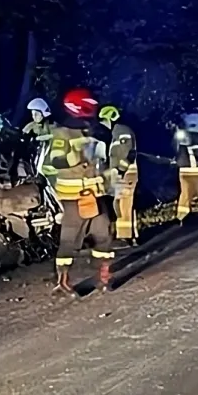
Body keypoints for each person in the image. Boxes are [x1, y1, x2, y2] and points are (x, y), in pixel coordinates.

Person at [48, 87, 115, 293]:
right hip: (74, 197)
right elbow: (56, 160)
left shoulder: (92, 131)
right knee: (70, 240)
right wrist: (79, 152)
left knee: (104, 234)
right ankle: (63, 282)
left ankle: (104, 277)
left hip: (96, 195)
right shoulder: (61, 133)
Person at [100, 105, 139, 245]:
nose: (103, 124)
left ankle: (125, 237)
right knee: (123, 204)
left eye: (104, 120)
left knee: (123, 205)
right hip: (123, 173)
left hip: (126, 174)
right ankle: (131, 235)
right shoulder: (116, 133)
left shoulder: (121, 131)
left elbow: (129, 153)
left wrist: (120, 170)